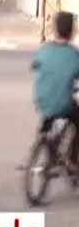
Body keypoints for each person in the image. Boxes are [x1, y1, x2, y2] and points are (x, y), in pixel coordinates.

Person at [32, 11, 79, 171]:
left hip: (41, 100)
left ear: (55, 29)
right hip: (63, 103)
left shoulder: (44, 50)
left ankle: (46, 145)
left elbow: (35, 65)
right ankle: (73, 159)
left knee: (48, 116)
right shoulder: (74, 55)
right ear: (72, 31)